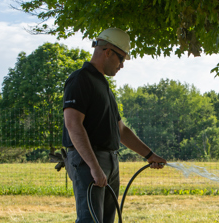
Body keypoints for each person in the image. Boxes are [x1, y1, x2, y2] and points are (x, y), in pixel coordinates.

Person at [62, 28, 167, 223]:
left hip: (109, 161)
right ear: (108, 51)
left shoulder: (103, 86)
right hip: (89, 161)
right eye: (121, 59)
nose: (122, 65)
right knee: (90, 220)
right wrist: (94, 167)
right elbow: (73, 124)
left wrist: (149, 155)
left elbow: (121, 131)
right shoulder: (80, 79)